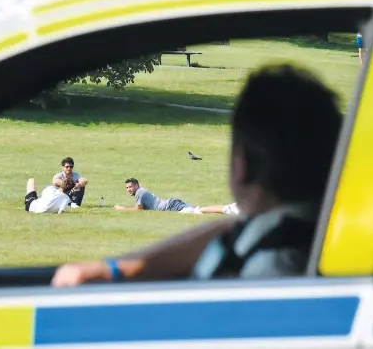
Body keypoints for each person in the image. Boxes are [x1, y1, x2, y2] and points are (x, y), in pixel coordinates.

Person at [51, 63, 342, 286]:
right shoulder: (307, 229)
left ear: (241, 165)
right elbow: (229, 231)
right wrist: (115, 269)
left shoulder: (268, 269)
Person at [114, 178, 201, 213]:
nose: (129, 189)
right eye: (127, 187)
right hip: (171, 203)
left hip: (170, 206)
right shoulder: (141, 191)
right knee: (198, 210)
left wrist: (121, 208)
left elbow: (138, 209)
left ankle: (214, 210)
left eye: (130, 187)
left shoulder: (139, 192)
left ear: (136, 185)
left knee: (197, 211)